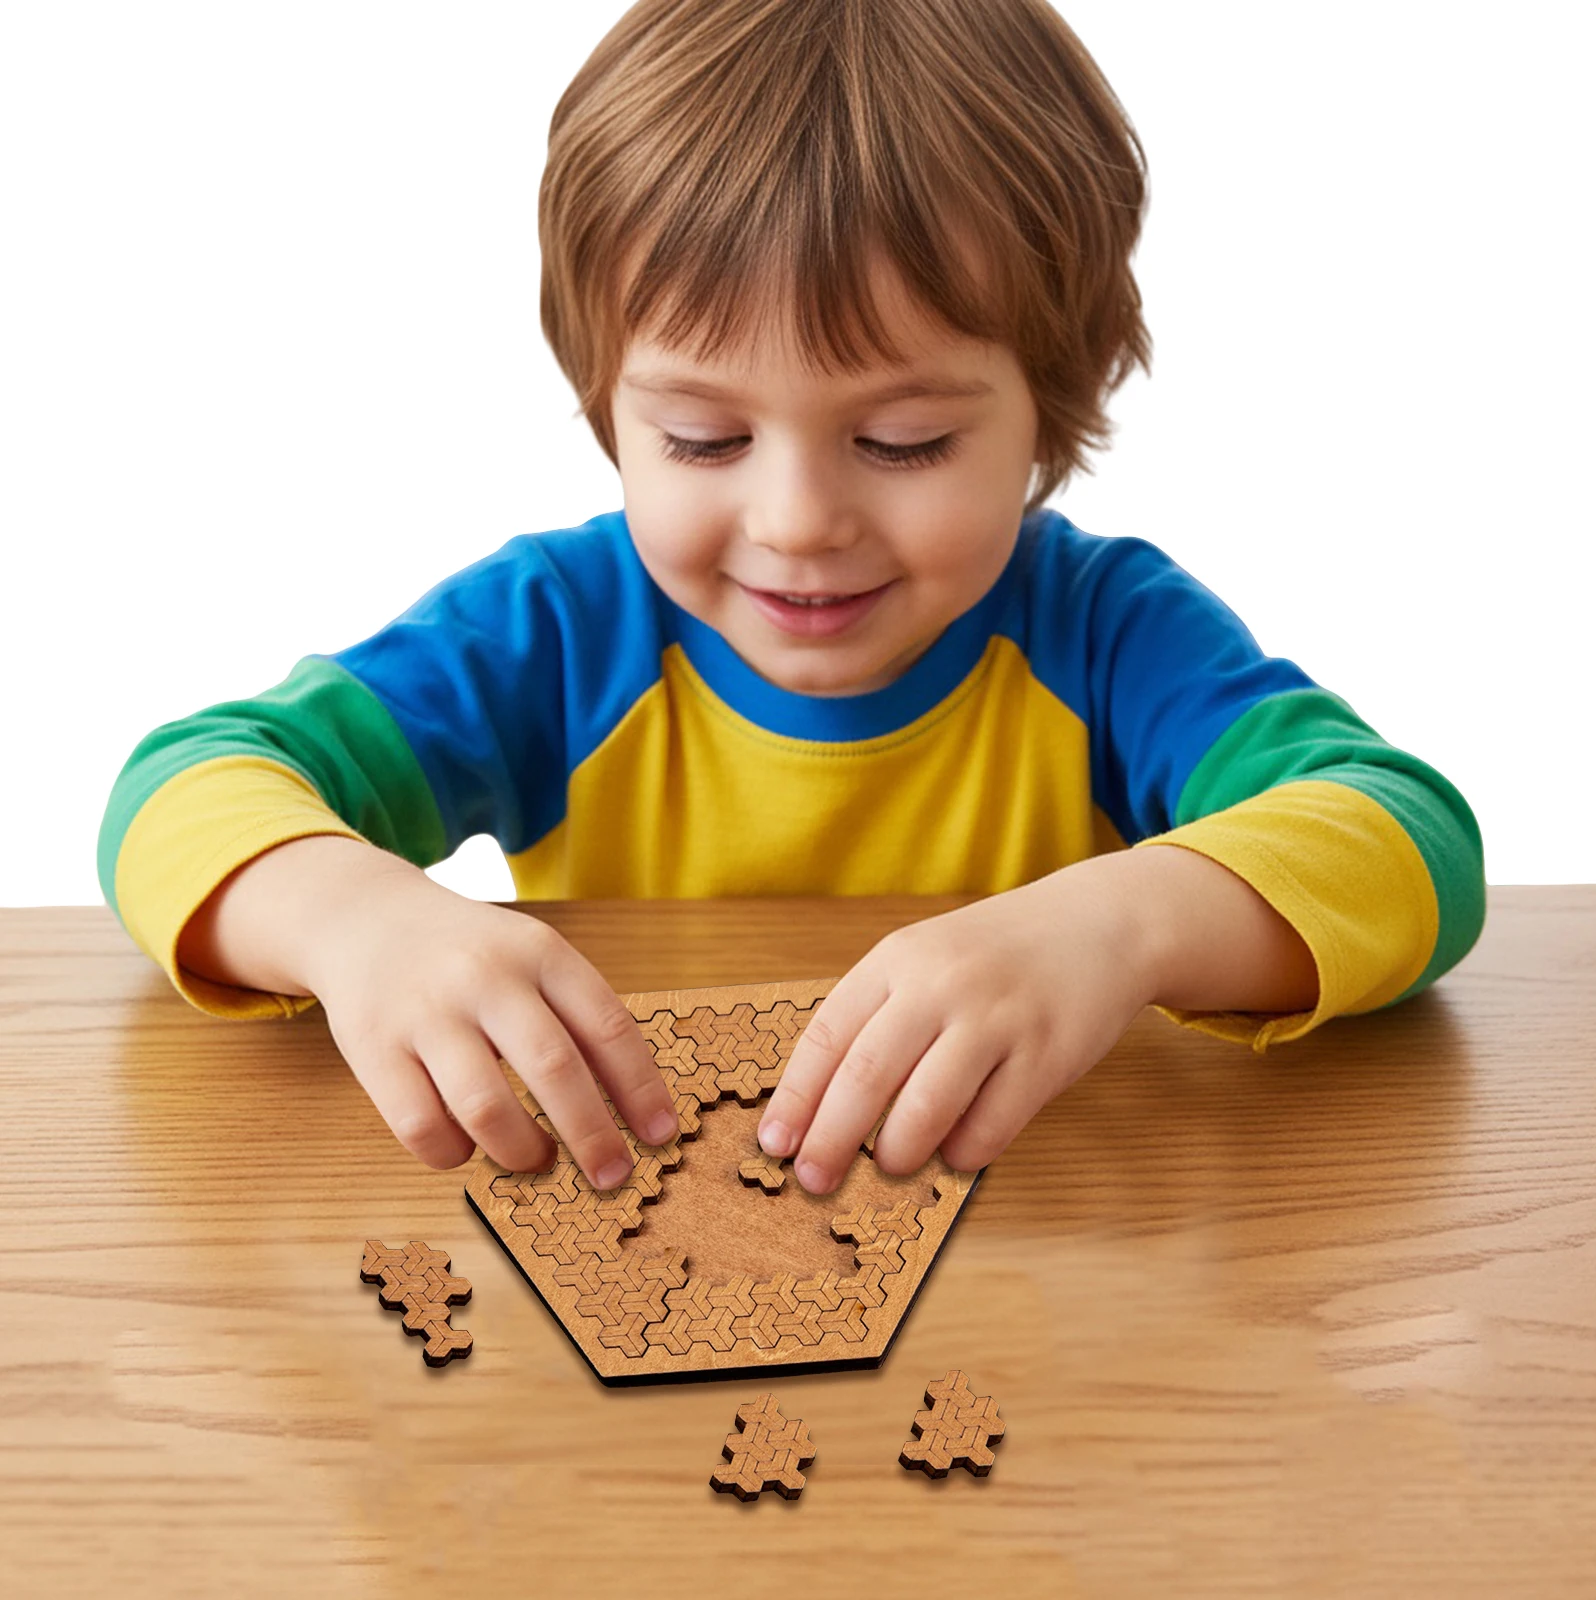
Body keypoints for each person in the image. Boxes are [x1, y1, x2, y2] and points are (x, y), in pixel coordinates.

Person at [97, 0, 1484, 1203]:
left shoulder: (1109, 634)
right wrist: (355, 922)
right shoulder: (562, 630)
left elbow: (1412, 842)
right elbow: (180, 788)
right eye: (703, 440)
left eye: (905, 445)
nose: (797, 521)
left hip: (1052, 1282)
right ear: (607, 409)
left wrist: (1116, 930)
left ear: (1048, 413)